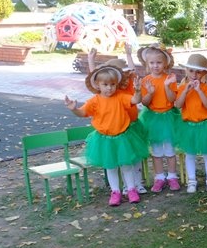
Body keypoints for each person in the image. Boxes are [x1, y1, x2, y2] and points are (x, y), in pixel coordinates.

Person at [64, 66, 149, 206]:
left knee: (126, 165)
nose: (109, 88)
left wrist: (138, 91)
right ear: (98, 85)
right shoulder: (94, 101)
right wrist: (74, 109)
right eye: (105, 85)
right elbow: (83, 113)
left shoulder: (120, 96)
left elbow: (135, 100)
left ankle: (131, 189)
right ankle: (115, 192)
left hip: (123, 138)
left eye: (112, 84)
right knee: (111, 167)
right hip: (105, 140)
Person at [88, 45, 148, 195]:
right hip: (120, 128)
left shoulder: (130, 85)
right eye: (124, 74)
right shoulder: (112, 90)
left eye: (127, 73)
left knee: (135, 156)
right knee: (122, 158)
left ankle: (138, 183)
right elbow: (95, 79)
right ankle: (126, 186)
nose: (126, 76)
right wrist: (91, 60)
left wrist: (128, 54)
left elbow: (133, 71)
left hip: (133, 126)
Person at [174, 54, 207, 194]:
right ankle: (192, 181)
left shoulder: (206, 88)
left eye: (198, 72)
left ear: (204, 73)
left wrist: (199, 90)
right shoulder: (183, 88)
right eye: (191, 71)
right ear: (186, 71)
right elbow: (178, 105)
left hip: (204, 125)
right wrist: (186, 91)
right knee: (190, 154)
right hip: (188, 126)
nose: (194, 75)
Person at [138, 43, 180, 192]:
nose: (155, 66)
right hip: (153, 118)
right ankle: (159, 177)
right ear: (147, 64)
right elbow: (145, 103)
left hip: (168, 117)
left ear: (165, 63)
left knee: (169, 150)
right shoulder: (145, 81)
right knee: (156, 151)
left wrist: (167, 86)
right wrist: (150, 93)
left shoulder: (169, 78)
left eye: (159, 62)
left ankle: (172, 176)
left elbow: (172, 99)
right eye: (152, 63)